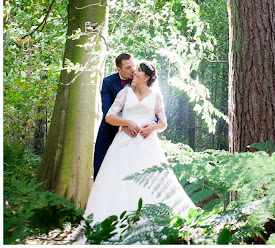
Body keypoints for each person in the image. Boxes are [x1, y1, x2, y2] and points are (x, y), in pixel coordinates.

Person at [80, 61, 195, 237]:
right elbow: (110, 116)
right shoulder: (125, 93)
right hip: (124, 144)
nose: (135, 72)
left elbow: (163, 123)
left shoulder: (156, 95)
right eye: (135, 69)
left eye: (139, 71)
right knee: (119, 182)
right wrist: (127, 122)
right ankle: (115, 224)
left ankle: (150, 223)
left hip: (148, 145)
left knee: (152, 182)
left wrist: (152, 127)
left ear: (147, 77)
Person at [93, 53, 136, 179]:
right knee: (101, 169)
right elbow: (107, 111)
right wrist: (124, 124)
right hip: (109, 130)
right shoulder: (108, 82)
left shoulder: (141, 79)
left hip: (134, 132)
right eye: (128, 67)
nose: (133, 70)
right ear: (119, 69)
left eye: (133, 65)